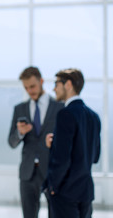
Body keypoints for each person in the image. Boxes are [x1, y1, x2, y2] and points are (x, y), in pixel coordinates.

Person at [44, 68, 101, 218]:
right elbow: (95, 156)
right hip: (86, 192)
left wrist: (52, 187)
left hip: (65, 192)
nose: (54, 88)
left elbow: (62, 158)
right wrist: (56, 144)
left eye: (57, 84)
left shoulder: (65, 114)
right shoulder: (94, 116)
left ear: (68, 84)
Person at [8, 67, 63, 218]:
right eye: (26, 88)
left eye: (32, 86)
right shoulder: (20, 109)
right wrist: (20, 133)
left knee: (55, 213)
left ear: (42, 81)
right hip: (27, 173)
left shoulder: (59, 107)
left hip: (51, 171)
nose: (29, 91)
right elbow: (11, 142)